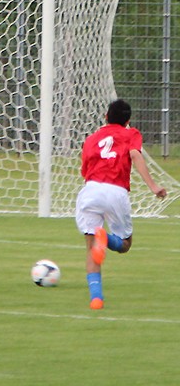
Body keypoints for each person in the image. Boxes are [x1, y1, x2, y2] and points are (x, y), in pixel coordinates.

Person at [75, 99, 166, 310]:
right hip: (115, 191)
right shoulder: (131, 133)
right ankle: (105, 238)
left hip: (90, 191)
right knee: (125, 245)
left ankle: (96, 299)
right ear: (128, 121)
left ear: (106, 117)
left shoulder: (91, 139)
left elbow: (85, 170)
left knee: (91, 248)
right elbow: (134, 154)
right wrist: (153, 186)